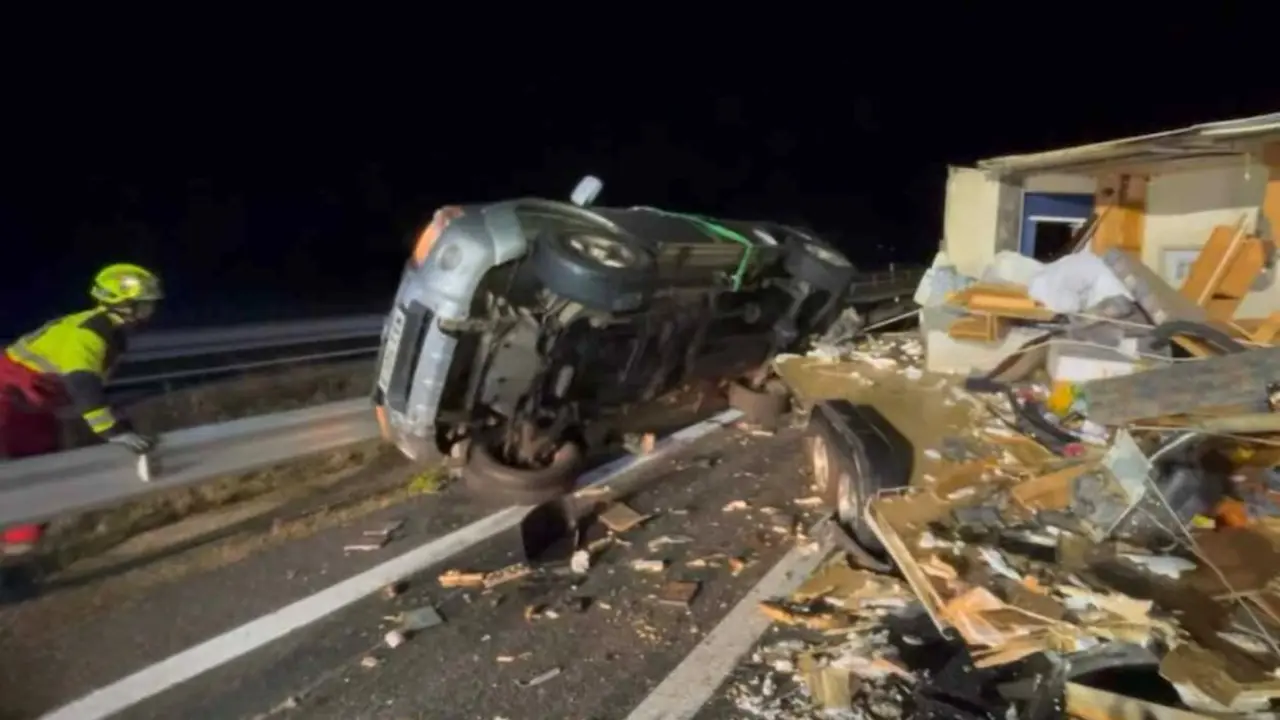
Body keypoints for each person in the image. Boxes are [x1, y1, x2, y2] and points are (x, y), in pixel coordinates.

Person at [0, 263, 163, 562]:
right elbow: (82, 383)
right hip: (12, 399)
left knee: (41, 479)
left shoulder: (111, 334)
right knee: (31, 478)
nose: (150, 310)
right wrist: (111, 430)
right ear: (124, 303)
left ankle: (13, 560)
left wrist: (117, 421)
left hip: (31, 405)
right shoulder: (91, 333)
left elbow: (90, 390)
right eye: (145, 304)